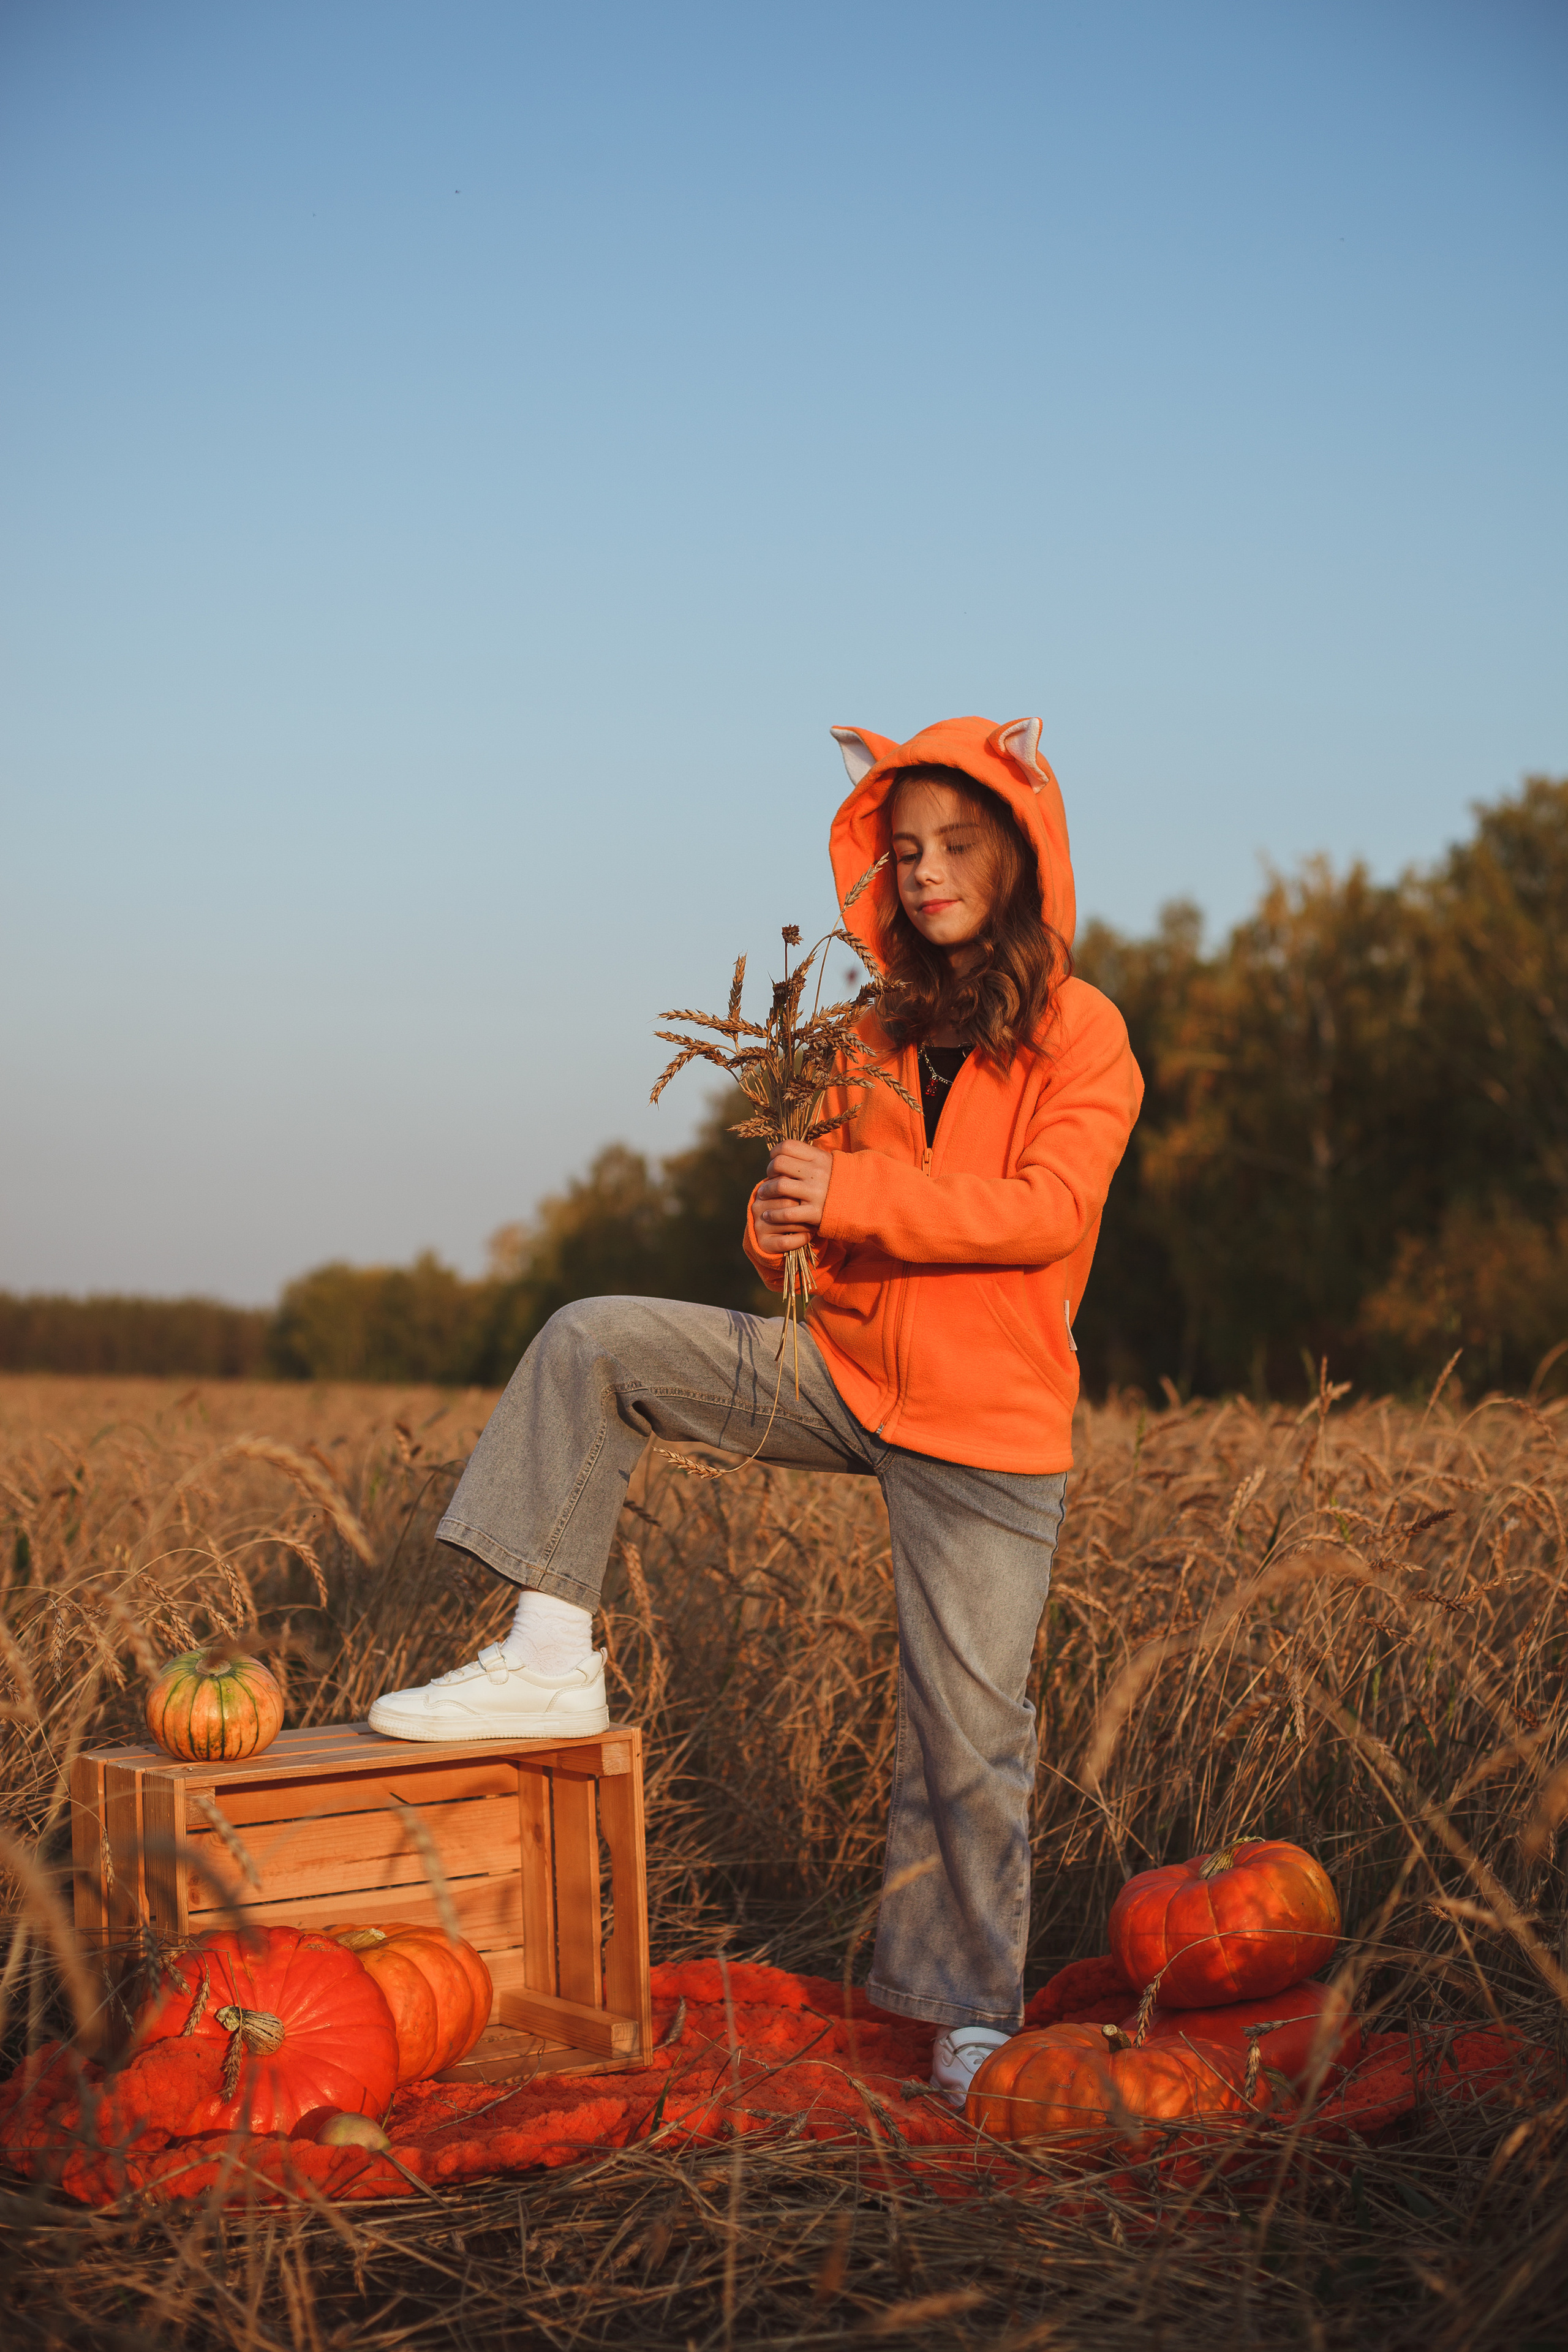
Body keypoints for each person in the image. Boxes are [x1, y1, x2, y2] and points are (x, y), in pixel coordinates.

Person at [369, 714, 1143, 2106]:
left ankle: (965, 2011)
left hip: (985, 1429)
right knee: (592, 1341)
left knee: (968, 1733)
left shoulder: (1080, 1033)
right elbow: (811, 1238)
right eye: (900, 849)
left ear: (1019, 854)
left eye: (955, 844)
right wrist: (779, 1227)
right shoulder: (861, 1033)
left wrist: (846, 1197)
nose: (923, 871)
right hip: (842, 1375)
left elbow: (1046, 1214)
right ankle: (547, 1655)